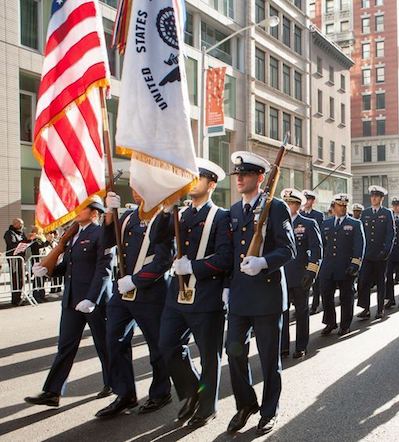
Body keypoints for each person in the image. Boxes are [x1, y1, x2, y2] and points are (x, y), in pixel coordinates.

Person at [154, 159, 233, 428]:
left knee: (209, 355)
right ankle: (191, 391)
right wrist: (166, 209)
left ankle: (207, 406)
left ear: (211, 184)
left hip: (206, 296)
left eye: (198, 178)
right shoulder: (182, 213)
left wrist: (194, 266)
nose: (192, 182)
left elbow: (225, 258)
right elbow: (157, 238)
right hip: (177, 296)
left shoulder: (221, 217)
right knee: (167, 345)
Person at [225, 151, 296, 436]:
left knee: (268, 359)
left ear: (260, 178)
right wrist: (227, 287)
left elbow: (289, 249)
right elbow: (231, 254)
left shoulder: (275, 207)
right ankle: (246, 404)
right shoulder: (233, 210)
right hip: (240, 297)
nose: (239, 178)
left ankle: (269, 411)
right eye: (237, 175)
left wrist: (263, 262)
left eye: (246, 174)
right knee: (234, 352)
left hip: (266, 297)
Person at [25, 196, 113, 407]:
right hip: (72, 300)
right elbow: (68, 267)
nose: (77, 211)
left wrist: (92, 298)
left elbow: (104, 269)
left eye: (83, 208)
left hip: (94, 300)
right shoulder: (73, 236)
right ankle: (52, 392)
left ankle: (114, 384)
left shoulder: (101, 234)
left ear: (94, 213)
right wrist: (47, 270)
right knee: (65, 346)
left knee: (104, 345)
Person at [94, 188, 174, 419]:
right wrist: (109, 213)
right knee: (114, 340)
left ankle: (161, 392)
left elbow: (163, 261)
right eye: (135, 186)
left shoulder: (163, 218)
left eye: (143, 186)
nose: (137, 191)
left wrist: (136, 281)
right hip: (123, 291)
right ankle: (125, 393)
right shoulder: (128, 216)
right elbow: (107, 242)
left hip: (151, 291)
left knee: (156, 346)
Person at [280, 188, 322, 359]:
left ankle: (301, 346)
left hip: (300, 276)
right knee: (281, 313)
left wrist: (311, 273)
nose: (288, 206)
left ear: (298, 205)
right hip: (281, 277)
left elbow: (317, 251)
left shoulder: (308, 223)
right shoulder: (277, 224)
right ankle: (283, 346)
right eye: (286, 203)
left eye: (291, 203)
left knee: (301, 313)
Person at [318, 194, 365, 336]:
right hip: (328, 267)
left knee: (346, 297)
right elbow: (321, 246)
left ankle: (345, 325)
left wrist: (355, 265)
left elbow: (360, 246)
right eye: (340, 205)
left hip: (346, 267)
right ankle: (330, 322)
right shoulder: (326, 224)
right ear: (334, 207)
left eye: (345, 205)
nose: (343, 208)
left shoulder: (355, 224)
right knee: (326, 296)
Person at [356, 185, 395, 320]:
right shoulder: (365, 213)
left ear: (381, 198)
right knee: (364, 281)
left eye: (376, 196)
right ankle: (365, 309)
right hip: (367, 254)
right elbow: (360, 235)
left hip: (381, 254)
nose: (373, 198)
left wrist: (386, 251)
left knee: (380, 282)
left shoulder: (387, 213)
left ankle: (380, 308)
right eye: (372, 196)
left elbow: (391, 234)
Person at [300, 190, 325, 316]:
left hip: (313, 251)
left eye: (309, 199)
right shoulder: (299, 214)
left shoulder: (318, 215)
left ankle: (315, 305)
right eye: (305, 199)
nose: (306, 202)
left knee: (315, 281)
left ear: (312, 201)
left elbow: (319, 235)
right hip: (303, 253)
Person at [4, 218, 26, 305]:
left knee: (21, 278)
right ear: (15, 224)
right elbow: (12, 244)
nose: (22, 226)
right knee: (15, 278)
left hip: (21, 258)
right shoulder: (9, 233)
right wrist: (23, 241)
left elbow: (24, 242)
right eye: (20, 224)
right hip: (13, 258)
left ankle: (19, 296)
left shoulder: (21, 233)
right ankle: (15, 299)